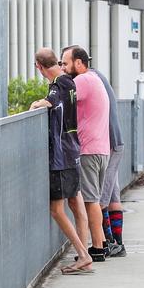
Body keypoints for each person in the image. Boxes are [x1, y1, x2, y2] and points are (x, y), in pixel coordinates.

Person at [28, 47, 92, 274]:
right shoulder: (68, 82)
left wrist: (36, 104)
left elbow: (51, 102)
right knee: (75, 201)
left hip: (61, 156)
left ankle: (83, 255)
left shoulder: (60, 83)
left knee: (56, 209)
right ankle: (84, 252)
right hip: (72, 150)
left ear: (39, 66)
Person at [64, 45, 111, 263]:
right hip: (101, 149)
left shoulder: (82, 80)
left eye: (65, 63)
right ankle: (101, 244)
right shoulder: (95, 79)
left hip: (88, 150)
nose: (63, 69)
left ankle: (98, 248)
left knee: (90, 201)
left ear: (79, 63)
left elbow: (61, 98)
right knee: (95, 200)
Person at [91, 63, 126, 258]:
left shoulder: (87, 80)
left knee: (100, 197)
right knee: (112, 195)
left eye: (64, 63)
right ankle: (117, 244)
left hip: (108, 144)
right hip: (114, 142)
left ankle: (107, 242)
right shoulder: (98, 77)